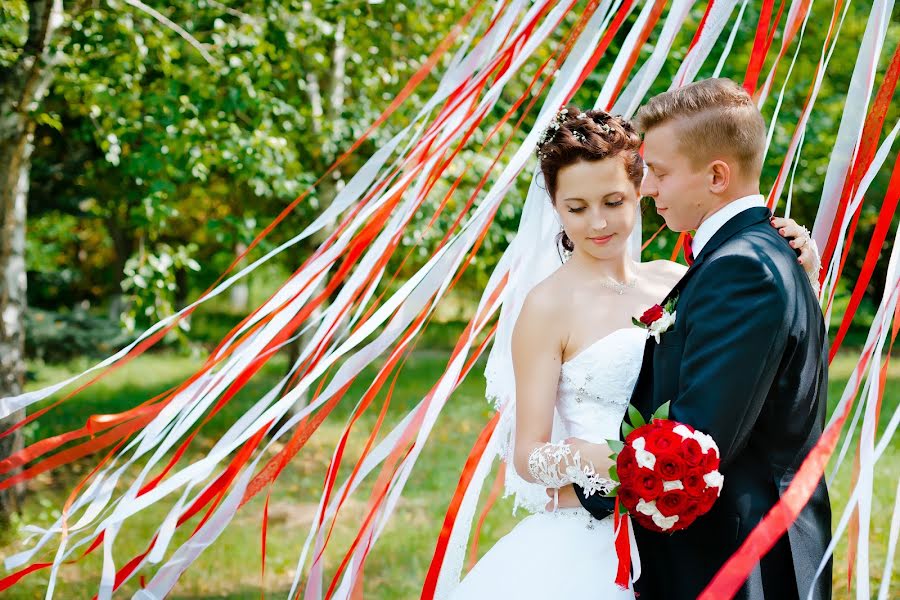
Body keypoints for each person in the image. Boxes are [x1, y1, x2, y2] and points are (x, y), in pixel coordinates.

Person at [448, 96, 821, 598]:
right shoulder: (546, 307)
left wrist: (803, 276)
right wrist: (593, 460)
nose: (598, 223)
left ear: (638, 191)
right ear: (554, 208)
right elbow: (528, 454)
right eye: (576, 208)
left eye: (613, 201)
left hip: (675, 532)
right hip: (593, 532)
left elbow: (743, 364)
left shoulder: (678, 280)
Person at [569, 78, 832, 600]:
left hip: (736, 564)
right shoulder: (750, 254)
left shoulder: (742, 268)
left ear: (717, 176)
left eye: (660, 173)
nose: (646, 190)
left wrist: (578, 480)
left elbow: (694, 449)